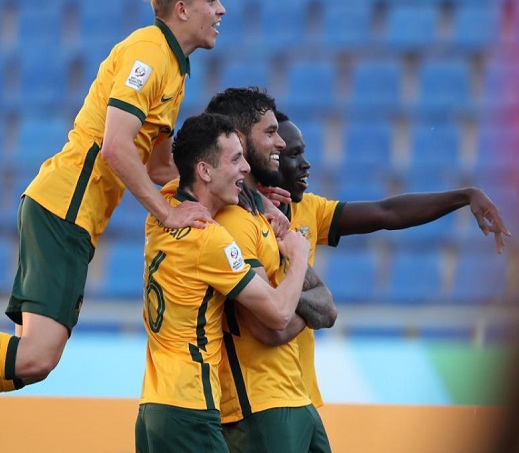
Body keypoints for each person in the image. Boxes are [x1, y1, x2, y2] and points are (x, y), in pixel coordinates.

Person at [0, 0, 228, 411]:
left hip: (64, 210)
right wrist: (167, 213)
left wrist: (231, 190)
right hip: (65, 206)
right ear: (182, 8)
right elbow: (115, 146)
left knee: (25, 365)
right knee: (37, 356)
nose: (221, 9)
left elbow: (161, 168)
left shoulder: (174, 70)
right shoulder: (150, 53)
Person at [257, 109, 511, 411]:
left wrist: (465, 196)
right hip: (261, 396)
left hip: (302, 395)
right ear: (268, 161)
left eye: (304, 152)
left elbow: (387, 213)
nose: (306, 163)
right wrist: (315, 308)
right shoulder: (244, 219)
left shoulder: (310, 211)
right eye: (293, 155)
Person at [136, 112, 310, 453]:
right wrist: (299, 254)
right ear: (204, 171)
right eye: (235, 160)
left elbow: (163, 171)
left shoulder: (163, 211)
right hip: (191, 406)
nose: (245, 168)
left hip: (153, 408)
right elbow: (278, 314)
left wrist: (260, 203)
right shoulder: (210, 239)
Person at [205, 88, 334, 453]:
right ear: (239, 139)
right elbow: (270, 328)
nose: (279, 142)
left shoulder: (265, 217)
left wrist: (292, 301)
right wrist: (299, 262)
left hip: (296, 397)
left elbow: (327, 308)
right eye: (271, 132)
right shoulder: (231, 222)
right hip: (258, 407)